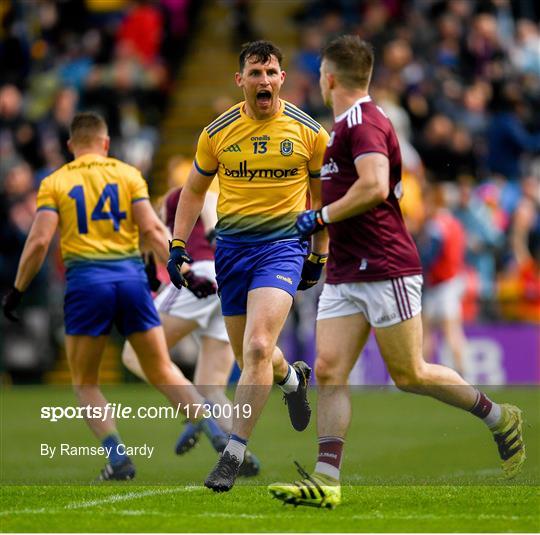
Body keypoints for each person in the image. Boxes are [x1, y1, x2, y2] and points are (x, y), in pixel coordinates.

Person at [268, 35, 525, 509]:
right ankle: (327, 480)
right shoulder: (345, 125)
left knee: (410, 374)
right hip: (347, 269)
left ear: (329, 77)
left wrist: (320, 218)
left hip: (385, 266)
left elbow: (373, 185)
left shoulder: (364, 122)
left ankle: (498, 416)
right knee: (328, 369)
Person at [1, 112, 229, 481]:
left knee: (85, 383)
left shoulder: (56, 181)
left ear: (71, 145)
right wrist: (184, 272)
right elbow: (155, 230)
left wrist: (18, 289)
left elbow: (40, 240)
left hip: (87, 282)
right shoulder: (127, 175)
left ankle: (119, 459)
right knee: (162, 368)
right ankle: (218, 437)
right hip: (130, 281)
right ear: (106, 144)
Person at [167, 40, 330, 492]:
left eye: (271, 72)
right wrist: (177, 244)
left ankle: (232, 454)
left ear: (282, 78)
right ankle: (292, 378)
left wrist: (319, 251)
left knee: (258, 346)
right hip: (232, 252)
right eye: (255, 73)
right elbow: (194, 191)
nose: (264, 81)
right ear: (240, 80)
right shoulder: (216, 132)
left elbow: (324, 198)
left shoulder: (308, 131)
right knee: (251, 357)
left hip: (282, 249)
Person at [121, 185, 261, 476]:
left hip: (198, 275)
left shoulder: (181, 193)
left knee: (134, 353)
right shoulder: (232, 193)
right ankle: (239, 451)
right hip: (225, 281)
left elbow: (194, 211)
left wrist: (210, 230)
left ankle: (199, 418)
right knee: (211, 387)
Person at [416, 184, 468, 375]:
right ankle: (424, 374)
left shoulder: (436, 224)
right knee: (430, 329)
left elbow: (429, 254)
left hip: (443, 283)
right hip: (451, 280)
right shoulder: (454, 222)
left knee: (446, 330)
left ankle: (463, 374)